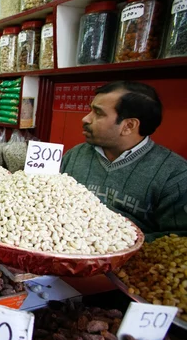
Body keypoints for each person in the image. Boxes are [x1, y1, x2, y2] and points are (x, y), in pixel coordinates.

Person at [61, 81, 187, 237]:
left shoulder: (174, 175)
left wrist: (121, 246)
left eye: (98, 113)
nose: (86, 119)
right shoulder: (75, 156)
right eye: (90, 110)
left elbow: (178, 238)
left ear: (129, 126)